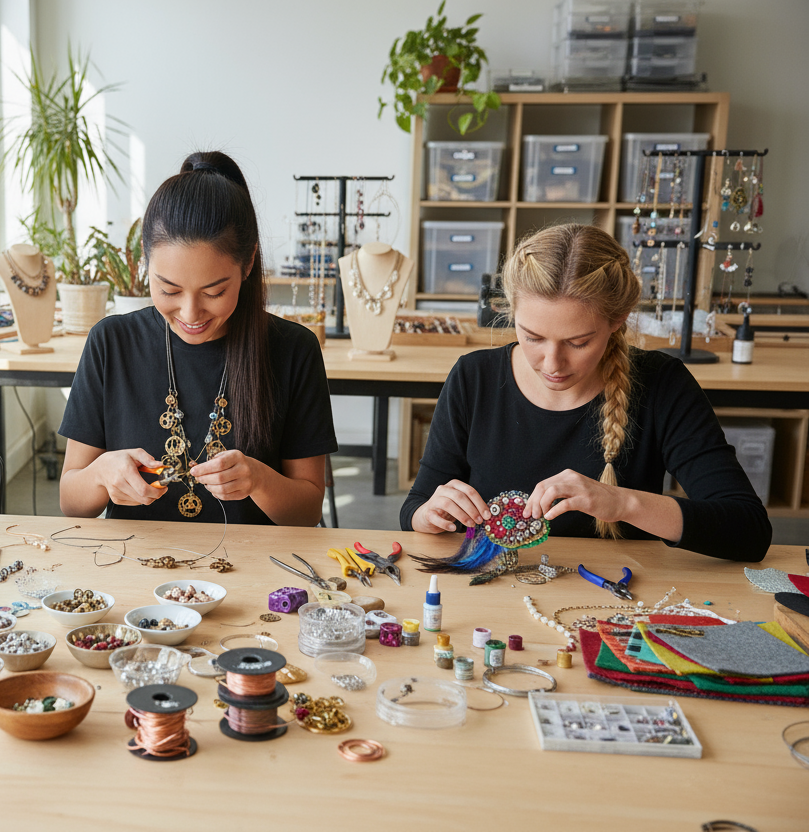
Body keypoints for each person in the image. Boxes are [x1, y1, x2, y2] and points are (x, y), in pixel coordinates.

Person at [401, 223, 770, 562]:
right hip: (492, 588)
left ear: (618, 319)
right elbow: (416, 507)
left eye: (578, 342)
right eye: (532, 337)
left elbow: (748, 530)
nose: (551, 363)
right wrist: (427, 513)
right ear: (511, 312)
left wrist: (624, 503)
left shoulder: (662, 383)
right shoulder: (473, 377)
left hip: (617, 602)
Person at [59, 151, 337, 526]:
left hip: (252, 568)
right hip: (133, 566)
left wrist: (258, 480)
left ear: (249, 262)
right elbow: (71, 503)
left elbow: (306, 514)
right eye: (169, 290)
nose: (190, 314)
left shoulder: (293, 351)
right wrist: (100, 474)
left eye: (214, 292)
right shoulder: (111, 342)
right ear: (145, 264)